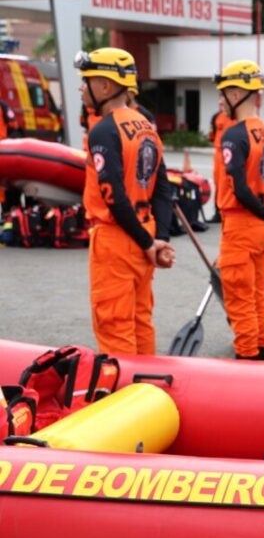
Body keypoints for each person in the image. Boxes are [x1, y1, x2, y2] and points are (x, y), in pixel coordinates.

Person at [76, 47, 174, 355]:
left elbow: (113, 196)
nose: (82, 87)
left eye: (87, 80)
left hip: (117, 239)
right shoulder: (147, 126)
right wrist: (158, 240)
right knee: (141, 321)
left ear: (105, 86)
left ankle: (124, 397)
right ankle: (147, 392)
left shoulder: (103, 130)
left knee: (115, 326)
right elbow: (162, 190)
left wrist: (148, 243)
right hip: (143, 235)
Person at [214, 60, 264, 359]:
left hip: (242, 226)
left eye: (223, 93)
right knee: (257, 296)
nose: (220, 100)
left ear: (237, 94)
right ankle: (261, 349)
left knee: (240, 299)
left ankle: (247, 357)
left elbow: (239, 188)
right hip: (261, 229)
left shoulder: (234, 135)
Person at [207, 100, 236, 223]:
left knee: (231, 183)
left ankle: (230, 211)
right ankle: (218, 212)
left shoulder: (236, 117)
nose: (221, 102)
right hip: (218, 153)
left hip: (231, 152)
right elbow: (212, 134)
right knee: (218, 183)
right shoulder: (216, 117)